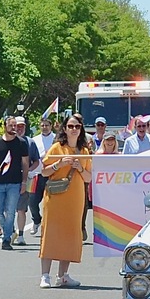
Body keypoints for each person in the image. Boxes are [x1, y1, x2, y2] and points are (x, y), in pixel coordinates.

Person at [38, 116, 92, 287]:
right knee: (51, 233)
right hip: (55, 198)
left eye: (77, 126)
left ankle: (63, 275)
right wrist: (59, 164)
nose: (74, 129)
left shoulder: (84, 151)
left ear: (81, 129)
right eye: (70, 126)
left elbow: (88, 177)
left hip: (75, 197)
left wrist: (80, 167)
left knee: (70, 233)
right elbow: (44, 172)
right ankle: (45, 275)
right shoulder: (57, 148)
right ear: (65, 129)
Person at [0, 117, 30, 251]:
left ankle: (6, 240)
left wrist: (24, 182)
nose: (14, 128)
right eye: (11, 125)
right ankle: (9, 229)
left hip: (15, 182)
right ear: (5, 126)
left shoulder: (21, 143)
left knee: (10, 212)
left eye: (15, 125)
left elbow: (25, 163)